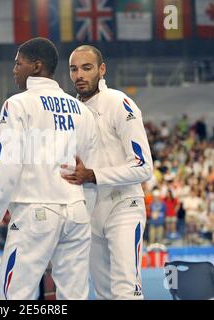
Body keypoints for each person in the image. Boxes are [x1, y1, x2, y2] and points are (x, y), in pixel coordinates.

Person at [0, 37, 98, 300]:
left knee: (12, 296)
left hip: (36, 211)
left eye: (18, 63)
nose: (14, 69)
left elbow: (6, 168)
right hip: (76, 212)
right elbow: (88, 172)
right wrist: (83, 212)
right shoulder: (82, 110)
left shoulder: (17, 104)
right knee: (74, 296)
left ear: (36, 66)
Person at [61, 45, 153, 299]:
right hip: (89, 212)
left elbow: (143, 165)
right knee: (102, 293)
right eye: (74, 69)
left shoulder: (119, 102)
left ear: (102, 70)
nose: (79, 74)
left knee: (126, 290)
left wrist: (94, 175)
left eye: (86, 68)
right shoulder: (69, 110)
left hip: (123, 205)